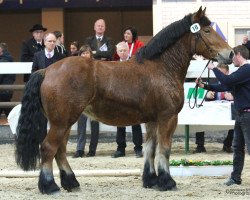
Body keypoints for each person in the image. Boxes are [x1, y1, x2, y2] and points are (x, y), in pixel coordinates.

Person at [196, 45, 250, 186]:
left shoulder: (247, 70)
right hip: (241, 114)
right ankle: (235, 178)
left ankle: (235, 177)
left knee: (247, 148)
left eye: (232, 57)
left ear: (238, 55)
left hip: (247, 114)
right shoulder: (242, 72)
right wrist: (205, 86)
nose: (231, 60)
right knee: (238, 147)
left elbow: (226, 81)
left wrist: (214, 68)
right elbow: (225, 86)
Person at [111, 41, 143, 158]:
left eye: (124, 50)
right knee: (120, 124)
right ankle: (120, 149)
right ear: (117, 52)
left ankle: (138, 148)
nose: (123, 53)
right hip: (119, 98)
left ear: (128, 51)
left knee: (136, 124)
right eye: (120, 51)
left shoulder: (134, 63)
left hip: (133, 97)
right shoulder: (113, 65)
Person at [31, 32, 65, 142]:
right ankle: (42, 143)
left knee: (56, 119)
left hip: (57, 93)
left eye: (54, 41)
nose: (52, 43)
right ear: (44, 42)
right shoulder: (37, 55)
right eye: (49, 41)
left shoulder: (61, 57)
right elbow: (34, 72)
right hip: (42, 92)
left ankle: (55, 144)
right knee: (41, 120)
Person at [193, 64, 234, 153]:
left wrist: (233, 96)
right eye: (217, 73)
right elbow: (207, 94)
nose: (219, 76)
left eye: (221, 73)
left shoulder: (233, 81)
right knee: (199, 119)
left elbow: (240, 94)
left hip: (228, 110)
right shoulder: (213, 81)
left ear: (227, 72)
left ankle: (227, 144)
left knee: (236, 122)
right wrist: (207, 95)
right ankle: (200, 146)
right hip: (213, 110)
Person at [73, 45, 100, 158]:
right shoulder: (76, 68)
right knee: (81, 126)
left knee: (95, 126)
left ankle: (92, 149)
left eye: (87, 53)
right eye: (82, 53)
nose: (85, 55)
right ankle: (80, 149)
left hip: (95, 100)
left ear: (91, 54)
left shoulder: (97, 67)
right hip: (82, 100)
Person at [0, 43, 16, 117]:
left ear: (1, 50)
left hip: (3, 90)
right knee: (6, 107)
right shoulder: (8, 59)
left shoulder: (4, 61)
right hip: (7, 89)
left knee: (8, 110)